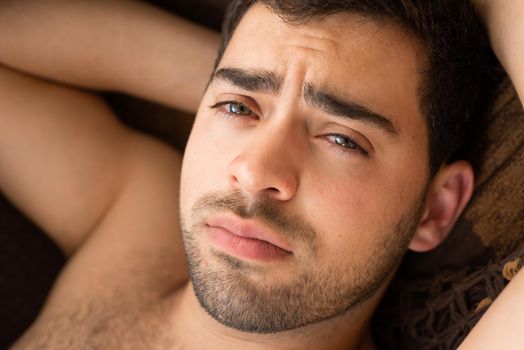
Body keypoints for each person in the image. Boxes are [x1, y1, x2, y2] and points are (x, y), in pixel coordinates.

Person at [0, 0, 520, 348]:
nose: (254, 172)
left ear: (435, 208)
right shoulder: (135, 224)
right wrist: (257, 85)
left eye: (343, 139)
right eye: (235, 110)